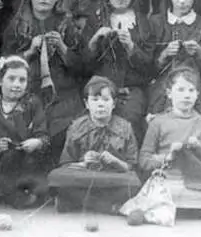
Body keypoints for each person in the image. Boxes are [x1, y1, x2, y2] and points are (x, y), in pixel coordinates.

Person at [2, 0, 84, 159]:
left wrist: (63, 48)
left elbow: (82, 66)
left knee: (63, 128)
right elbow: (4, 64)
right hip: (27, 91)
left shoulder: (67, 25)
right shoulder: (17, 26)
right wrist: (30, 51)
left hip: (62, 94)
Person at [139, 67, 201, 213]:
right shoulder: (158, 122)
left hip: (197, 182)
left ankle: (178, 208)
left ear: (197, 94)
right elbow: (144, 161)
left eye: (191, 90)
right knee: (159, 193)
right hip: (168, 180)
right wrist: (167, 157)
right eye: (180, 90)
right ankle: (195, 209)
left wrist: (199, 147)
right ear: (169, 93)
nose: (186, 96)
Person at [48, 75, 140, 213]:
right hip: (84, 176)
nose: (100, 104)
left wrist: (116, 161)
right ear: (86, 103)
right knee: (55, 177)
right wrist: (83, 163)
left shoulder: (125, 127)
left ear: (114, 103)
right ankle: (107, 207)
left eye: (105, 99)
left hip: (112, 177)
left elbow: (131, 165)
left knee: (133, 182)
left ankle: (78, 203)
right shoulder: (76, 127)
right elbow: (66, 163)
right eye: (95, 100)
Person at [84, 0, 152, 139]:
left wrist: (130, 46)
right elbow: (83, 64)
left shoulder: (143, 22)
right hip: (101, 87)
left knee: (129, 120)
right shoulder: (96, 19)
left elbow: (149, 66)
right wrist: (95, 40)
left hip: (132, 88)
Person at [0, 56, 50, 208]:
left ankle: (20, 193)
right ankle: (13, 195)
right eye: (11, 79)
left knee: (35, 174)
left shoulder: (32, 103)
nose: (16, 85)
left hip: (26, 160)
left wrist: (36, 142)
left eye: (22, 80)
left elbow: (43, 134)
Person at [147, 0, 201, 117]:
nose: (182, 0)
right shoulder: (156, 23)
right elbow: (146, 67)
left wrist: (199, 53)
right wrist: (164, 55)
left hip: (195, 89)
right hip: (163, 89)